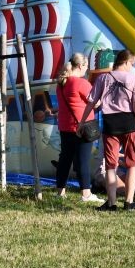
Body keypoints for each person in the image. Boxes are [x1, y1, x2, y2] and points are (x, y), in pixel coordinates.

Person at [80, 49, 135, 211]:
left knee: (110, 165)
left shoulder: (103, 78)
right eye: (132, 64)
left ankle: (111, 203)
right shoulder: (134, 79)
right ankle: (129, 202)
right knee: (132, 164)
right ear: (127, 62)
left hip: (110, 124)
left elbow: (91, 102)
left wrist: (82, 122)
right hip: (130, 124)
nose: (132, 67)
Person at [54, 53, 100, 203]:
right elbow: (96, 102)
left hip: (65, 126)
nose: (86, 70)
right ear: (80, 66)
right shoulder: (80, 83)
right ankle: (86, 194)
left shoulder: (61, 83)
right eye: (86, 67)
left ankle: (60, 191)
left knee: (65, 159)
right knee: (83, 161)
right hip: (82, 127)